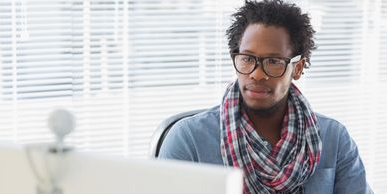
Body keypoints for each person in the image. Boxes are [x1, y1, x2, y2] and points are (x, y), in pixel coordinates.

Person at [158, 0, 373, 193]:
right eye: (247, 59)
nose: (257, 74)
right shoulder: (188, 139)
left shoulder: (333, 138)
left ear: (297, 68)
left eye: (273, 61)